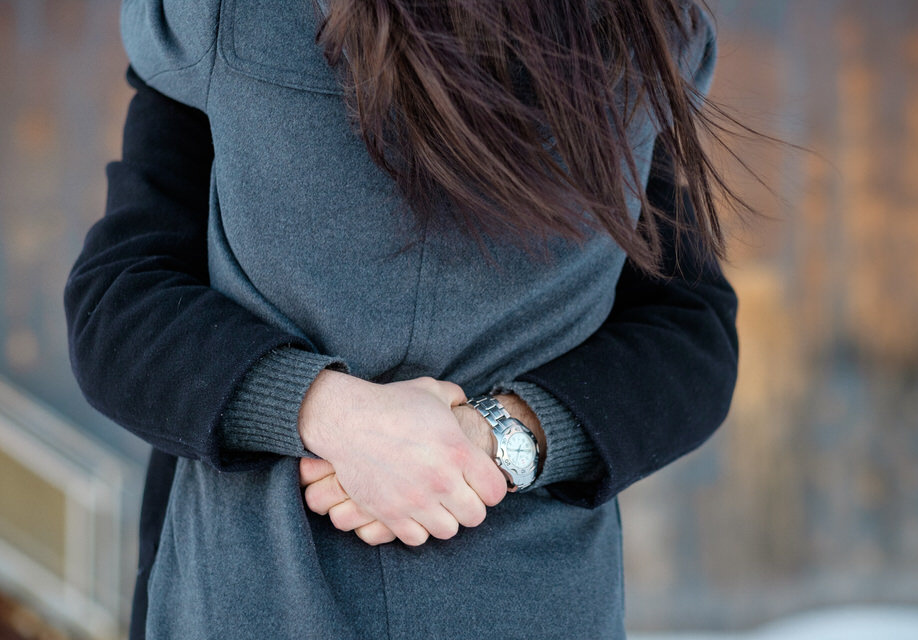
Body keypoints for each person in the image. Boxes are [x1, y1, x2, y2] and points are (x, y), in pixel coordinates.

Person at [64, 0, 740, 637]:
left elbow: (688, 328)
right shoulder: (649, 33)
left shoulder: (230, 19)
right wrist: (334, 415)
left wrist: (494, 439)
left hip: (268, 595)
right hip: (502, 596)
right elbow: (118, 304)